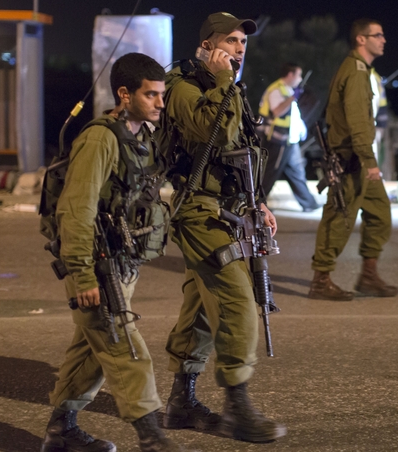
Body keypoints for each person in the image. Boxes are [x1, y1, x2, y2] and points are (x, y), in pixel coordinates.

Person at [42, 53, 181, 452]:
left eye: (162, 95)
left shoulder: (141, 137)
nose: (160, 103)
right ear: (124, 94)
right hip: (94, 264)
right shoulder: (100, 138)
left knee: (90, 350)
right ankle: (152, 436)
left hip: (121, 262)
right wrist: (83, 276)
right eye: (151, 95)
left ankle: (60, 432)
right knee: (124, 346)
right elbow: (76, 209)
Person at [158, 12, 286, 443]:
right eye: (230, 40)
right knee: (236, 301)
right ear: (207, 45)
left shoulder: (227, 88)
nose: (239, 48)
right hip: (200, 209)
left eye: (242, 42)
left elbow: (244, 149)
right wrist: (220, 82)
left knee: (201, 306)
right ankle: (237, 407)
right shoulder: (183, 87)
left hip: (234, 209)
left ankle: (181, 402)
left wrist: (260, 201)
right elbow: (214, 131)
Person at [308, 18, 398, 302]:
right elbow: (358, 122)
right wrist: (370, 162)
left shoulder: (362, 70)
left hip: (357, 160)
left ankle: (368, 276)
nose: (383, 39)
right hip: (351, 161)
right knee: (338, 220)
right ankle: (321, 280)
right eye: (378, 35)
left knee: (380, 214)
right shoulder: (357, 72)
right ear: (361, 39)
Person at [258, 63, 320, 211]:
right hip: (277, 140)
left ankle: (309, 204)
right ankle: (258, 203)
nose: (299, 79)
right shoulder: (276, 90)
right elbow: (278, 111)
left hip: (289, 140)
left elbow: (293, 114)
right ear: (290, 75)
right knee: (270, 172)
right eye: (298, 75)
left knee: (296, 171)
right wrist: (293, 97)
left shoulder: (286, 90)